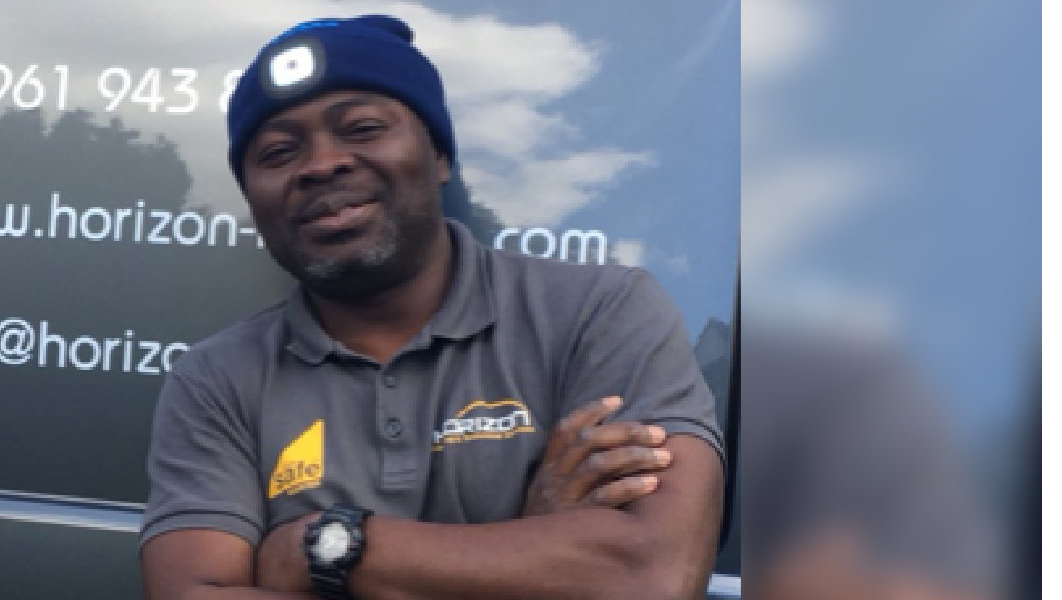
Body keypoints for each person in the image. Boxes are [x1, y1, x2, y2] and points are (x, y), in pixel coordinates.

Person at [138, 15, 724, 600]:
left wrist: (318, 549)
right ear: (253, 200)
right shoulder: (217, 379)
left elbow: (651, 578)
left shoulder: (600, 313)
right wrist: (528, 548)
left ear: (439, 155)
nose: (321, 164)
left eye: (363, 128)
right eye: (279, 152)